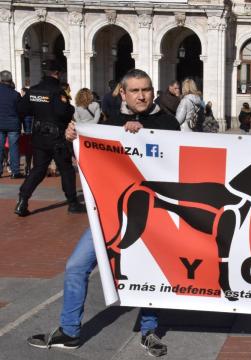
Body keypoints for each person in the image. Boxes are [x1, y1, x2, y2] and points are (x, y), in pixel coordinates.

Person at [27, 69, 179, 357]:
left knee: (149, 270)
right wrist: (74, 138)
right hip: (109, 214)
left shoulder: (168, 122)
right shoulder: (111, 122)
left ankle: (149, 330)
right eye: (134, 90)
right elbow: (91, 157)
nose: (142, 95)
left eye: (145, 89)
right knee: (76, 266)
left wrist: (144, 135)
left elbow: (178, 161)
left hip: (151, 214)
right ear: (122, 93)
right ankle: (69, 331)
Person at [14, 60, 84, 216]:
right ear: (57, 73)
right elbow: (63, 113)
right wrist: (70, 108)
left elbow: (21, 109)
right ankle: (72, 203)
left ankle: (22, 200)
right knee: (66, 170)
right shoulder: (58, 91)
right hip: (58, 138)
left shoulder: (33, 91)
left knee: (38, 170)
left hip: (39, 137)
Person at [0, 70, 23, 178]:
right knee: (14, 148)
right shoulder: (16, 94)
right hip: (13, 124)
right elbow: (21, 111)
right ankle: (15, 172)